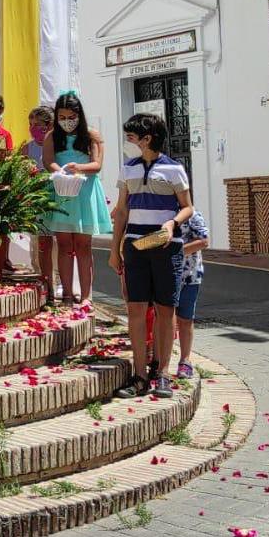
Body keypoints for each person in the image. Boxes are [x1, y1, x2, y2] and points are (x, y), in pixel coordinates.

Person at [108, 112, 192, 399]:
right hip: (135, 244)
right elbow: (121, 211)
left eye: (132, 137)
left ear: (147, 139)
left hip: (166, 246)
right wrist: (114, 250)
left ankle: (164, 373)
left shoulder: (174, 169)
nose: (128, 141)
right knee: (135, 309)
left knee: (166, 310)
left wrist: (172, 223)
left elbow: (187, 207)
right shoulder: (127, 168)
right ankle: (140, 375)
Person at [46, 91, 112, 302]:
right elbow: (48, 161)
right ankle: (66, 292)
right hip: (62, 191)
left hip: (85, 192)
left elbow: (97, 164)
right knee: (64, 245)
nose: (67, 122)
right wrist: (61, 170)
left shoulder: (91, 135)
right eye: (62, 118)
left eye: (71, 117)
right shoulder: (52, 136)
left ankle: (86, 295)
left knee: (84, 246)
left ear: (79, 115)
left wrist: (79, 168)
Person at [18, 106, 58, 292]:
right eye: (30, 124)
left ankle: (58, 281)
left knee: (58, 244)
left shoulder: (59, 146)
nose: (33, 128)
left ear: (49, 126)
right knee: (40, 244)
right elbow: (18, 174)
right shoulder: (27, 148)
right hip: (38, 202)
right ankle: (43, 280)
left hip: (58, 200)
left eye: (38, 125)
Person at [174, 208, 209, 380]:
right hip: (164, 276)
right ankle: (158, 361)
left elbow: (203, 241)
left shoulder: (193, 215)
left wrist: (175, 253)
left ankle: (185, 361)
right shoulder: (162, 211)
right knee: (164, 318)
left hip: (189, 276)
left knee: (185, 319)